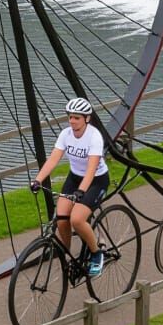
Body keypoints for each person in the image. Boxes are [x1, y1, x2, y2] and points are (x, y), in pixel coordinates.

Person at [29, 97, 110, 277]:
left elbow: (91, 169)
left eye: (77, 118)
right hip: (74, 178)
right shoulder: (66, 135)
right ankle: (66, 253)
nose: (72, 121)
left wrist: (81, 191)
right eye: (70, 117)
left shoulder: (94, 137)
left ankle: (96, 254)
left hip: (95, 180)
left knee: (77, 220)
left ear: (86, 119)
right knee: (62, 218)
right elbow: (53, 160)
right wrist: (38, 180)